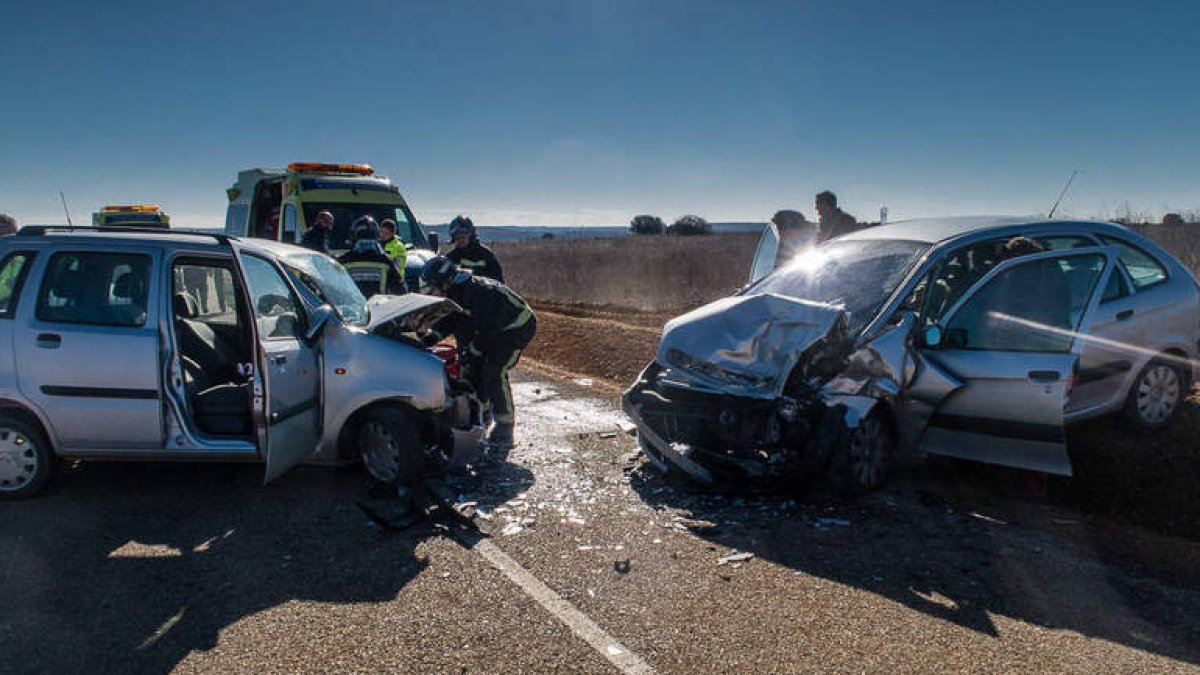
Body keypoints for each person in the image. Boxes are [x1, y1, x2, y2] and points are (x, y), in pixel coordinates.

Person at [420, 255, 536, 454]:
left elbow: (486, 330)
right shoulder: (458, 291)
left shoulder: (477, 292)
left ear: (445, 282)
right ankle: (483, 415)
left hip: (517, 327)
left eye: (434, 286)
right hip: (495, 329)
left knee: (493, 371)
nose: (433, 292)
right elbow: (452, 320)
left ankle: (505, 429)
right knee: (471, 367)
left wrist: (474, 351)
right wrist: (428, 340)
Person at [337, 216, 406, 297]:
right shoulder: (387, 261)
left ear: (354, 236)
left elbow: (332, 290)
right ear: (377, 236)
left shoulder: (343, 261)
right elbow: (400, 292)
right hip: (380, 308)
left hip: (353, 309)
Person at [445, 215, 504, 283]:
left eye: (464, 234)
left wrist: (478, 280)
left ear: (471, 235)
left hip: (480, 292)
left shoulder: (486, 255)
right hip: (457, 292)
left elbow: (498, 282)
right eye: (457, 236)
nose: (460, 239)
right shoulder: (451, 257)